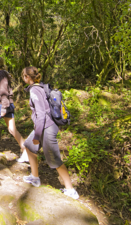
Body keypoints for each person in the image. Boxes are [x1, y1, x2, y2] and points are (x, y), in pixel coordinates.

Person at [21, 66, 79, 199]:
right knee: (29, 146)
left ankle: (70, 189)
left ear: (27, 77)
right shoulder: (40, 87)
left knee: (54, 159)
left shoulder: (35, 90)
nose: (23, 78)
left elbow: (41, 114)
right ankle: (35, 177)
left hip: (47, 127)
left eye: (23, 76)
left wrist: (37, 135)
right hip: (44, 126)